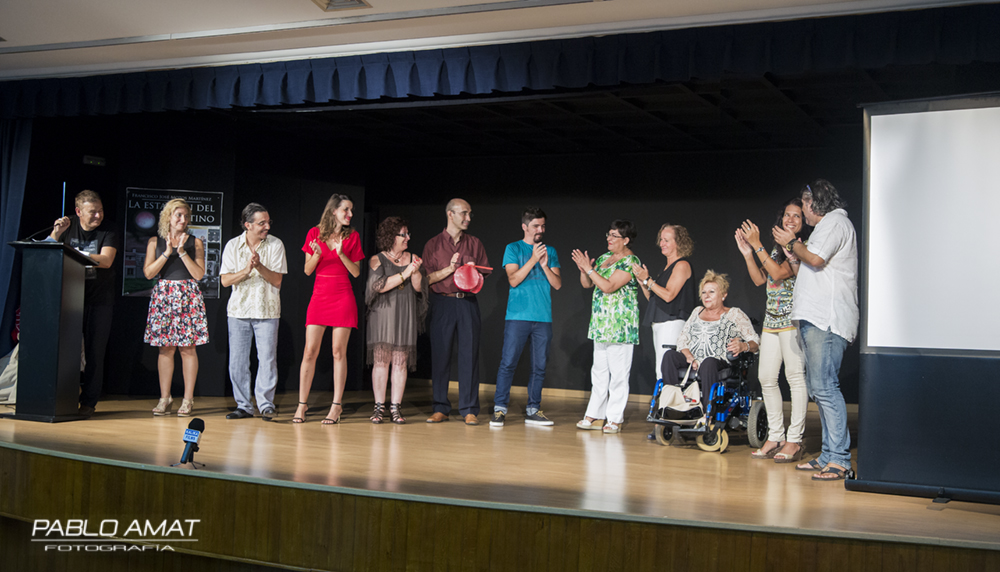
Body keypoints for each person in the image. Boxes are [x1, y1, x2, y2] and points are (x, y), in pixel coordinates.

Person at [773, 180, 858, 482]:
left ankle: (840, 460)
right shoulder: (827, 227)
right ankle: (828, 455)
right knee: (818, 389)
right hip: (815, 319)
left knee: (825, 387)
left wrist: (791, 242)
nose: (802, 212)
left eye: (805, 205)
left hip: (827, 319)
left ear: (814, 203)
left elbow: (816, 259)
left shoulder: (835, 222)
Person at [735, 199, 809, 462]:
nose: (790, 219)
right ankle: (776, 435)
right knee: (766, 377)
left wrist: (757, 245)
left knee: (795, 378)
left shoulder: (801, 249)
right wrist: (747, 252)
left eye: (797, 217)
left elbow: (778, 274)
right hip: (771, 323)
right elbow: (760, 279)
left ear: (803, 224)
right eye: (787, 215)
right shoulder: (777, 252)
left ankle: (795, 439)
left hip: (792, 322)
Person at [294, 194, 364, 425]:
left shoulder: (352, 236)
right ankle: (302, 405)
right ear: (334, 210)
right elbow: (307, 270)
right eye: (346, 209)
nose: (350, 214)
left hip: (343, 295)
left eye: (351, 210)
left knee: (338, 352)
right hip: (320, 295)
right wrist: (317, 254)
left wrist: (341, 252)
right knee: (309, 351)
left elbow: (355, 272)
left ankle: (336, 406)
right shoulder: (314, 234)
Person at [490, 207, 562, 428]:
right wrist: (532, 259)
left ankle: (533, 409)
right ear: (524, 226)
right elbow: (513, 279)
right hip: (518, 316)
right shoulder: (513, 248)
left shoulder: (550, 251)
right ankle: (500, 409)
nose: (540, 230)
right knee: (508, 363)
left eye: (542, 226)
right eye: (535, 226)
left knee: (539, 366)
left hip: (543, 318)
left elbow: (557, 284)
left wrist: (544, 265)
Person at [48, 190, 117, 418]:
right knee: (65, 351)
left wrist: (72, 253)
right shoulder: (68, 227)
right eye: (92, 212)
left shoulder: (109, 229)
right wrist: (57, 234)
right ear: (78, 212)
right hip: (70, 299)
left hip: (100, 301)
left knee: (95, 353)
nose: (98, 216)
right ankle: (62, 398)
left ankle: (88, 402)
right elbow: (48, 250)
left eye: (100, 210)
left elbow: (106, 260)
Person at [422, 198, 491, 425]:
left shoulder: (475, 243)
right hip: (442, 303)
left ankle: (469, 408)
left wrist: (474, 272)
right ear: (450, 214)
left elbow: (484, 273)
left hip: (467, 303)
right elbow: (426, 279)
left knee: (469, 355)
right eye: (464, 213)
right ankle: (440, 407)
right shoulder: (433, 244)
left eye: (470, 214)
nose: (468, 218)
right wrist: (448, 270)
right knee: (440, 355)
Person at [661, 270, 759, 425]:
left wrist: (743, 346)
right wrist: (688, 356)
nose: (706, 296)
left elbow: (755, 342)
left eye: (712, 292)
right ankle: (672, 404)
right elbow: (682, 340)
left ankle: (708, 413)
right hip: (693, 360)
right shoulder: (697, 311)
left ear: (723, 295)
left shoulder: (734, 314)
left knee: (708, 363)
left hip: (719, 361)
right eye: (704, 292)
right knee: (669, 356)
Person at [571, 220, 641, 435]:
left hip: (621, 326)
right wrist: (584, 270)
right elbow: (588, 284)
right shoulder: (603, 259)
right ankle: (595, 414)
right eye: (608, 235)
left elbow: (609, 286)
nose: (609, 239)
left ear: (626, 240)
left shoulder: (631, 261)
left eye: (614, 236)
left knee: (619, 375)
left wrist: (590, 269)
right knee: (599, 373)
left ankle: (614, 418)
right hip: (601, 325)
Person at [220, 203, 287, 421]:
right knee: (238, 361)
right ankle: (244, 406)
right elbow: (225, 280)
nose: (267, 226)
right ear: (248, 225)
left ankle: (266, 404)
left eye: (268, 222)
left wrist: (259, 267)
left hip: (267, 311)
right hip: (239, 310)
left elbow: (277, 280)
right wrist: (246, 270)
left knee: (267, 359)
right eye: (261, 223)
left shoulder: (276, 245)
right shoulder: (232, 246)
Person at [142, 198, 208, 417]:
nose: (183, 219)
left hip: (188, 295)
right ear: (168, 217)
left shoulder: (195, 242)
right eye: (178, 215)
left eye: (186, 216)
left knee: (188, 348)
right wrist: (167, 251)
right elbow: (149, 273)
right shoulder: (155, 241)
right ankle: (165, 398)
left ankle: (188, 400)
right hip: (165, 296)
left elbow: (199, 274)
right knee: (165, 348)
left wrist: (181, 252)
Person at [364, 216, 426, 425]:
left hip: (404, 315)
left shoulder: (412, 257)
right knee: (381, 362)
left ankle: (395, 407)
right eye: (404, 234)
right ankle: (379, 406)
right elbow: (377, 286)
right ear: (391, 236)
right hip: (382, 316)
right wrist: (405, 273)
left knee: (400, 363)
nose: (408, 237)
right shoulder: (377, 259)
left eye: (408, 234)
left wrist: (415, 272)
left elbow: (419, 288)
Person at [631, 224, 695, 379]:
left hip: (672, 323)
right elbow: (655, 300)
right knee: (660, 368)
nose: (661, 243)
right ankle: (665, 399)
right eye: (661, 240)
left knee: (666, 367)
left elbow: (668, 296)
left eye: (666, 240)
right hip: (660, 322)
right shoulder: (667, 268)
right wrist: (643, 283)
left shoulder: (681, 265)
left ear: (678, 242)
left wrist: (648, 280)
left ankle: (670, 400)